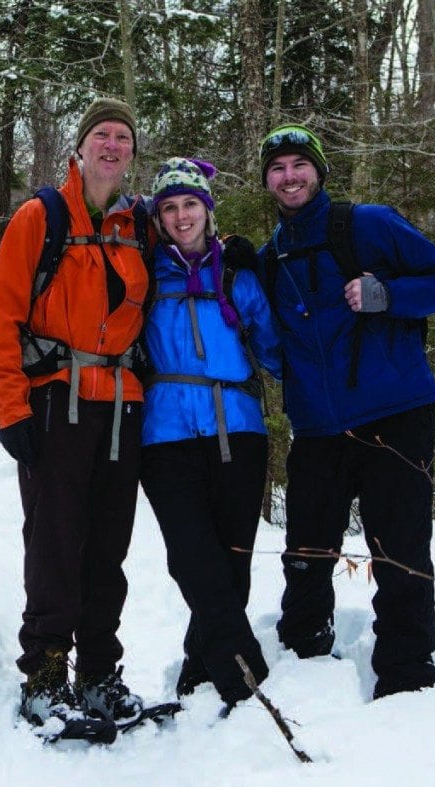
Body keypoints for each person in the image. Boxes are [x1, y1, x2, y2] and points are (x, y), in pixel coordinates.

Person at [257, 124, 435, 699]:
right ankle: (304, 654)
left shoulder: (367, 224)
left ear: (319, 171)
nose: (289, 176)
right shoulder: (271, 257)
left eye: (299, 164)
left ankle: (406, 675)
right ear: (267, 182)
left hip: (395, 415)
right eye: (277, 168)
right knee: (305, 550)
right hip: (319, 427)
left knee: (399, 550)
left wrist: (388, 295)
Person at [0, 97, 151, 726]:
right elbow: (1, 319)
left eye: (123, 138)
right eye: (102, 135)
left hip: (123, 408)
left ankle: (100, 675)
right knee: (55, 543)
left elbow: (187, 266)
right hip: (57, 403)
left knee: (108, 549)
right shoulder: (39, 216)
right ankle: (46, 676)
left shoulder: (139, 226)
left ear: (132, 153)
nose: (112, 145)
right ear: (80, 148)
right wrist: (12, 410)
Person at [139, 157, 281, 713]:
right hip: (165, 432)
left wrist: (263, 274)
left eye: (190, 204)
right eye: (169, 207)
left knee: (232, 556)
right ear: (159, 215)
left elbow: (271, 346)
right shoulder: (145, 274)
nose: (181, 215)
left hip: (239, 430)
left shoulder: (236, 276)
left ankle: (201, 669)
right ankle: (241, 667)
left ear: (207, 209)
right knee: (190, 555)